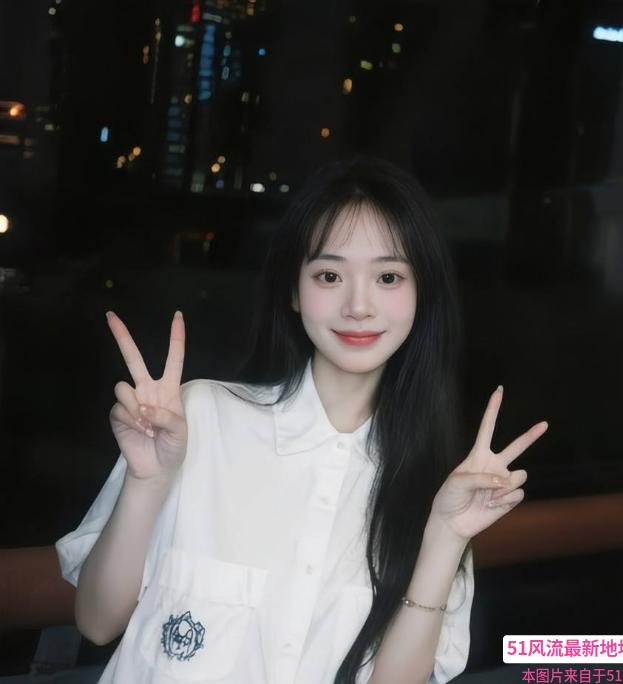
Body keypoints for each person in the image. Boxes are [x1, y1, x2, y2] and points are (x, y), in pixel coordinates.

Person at [54, 157, 548, 684]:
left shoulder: (436, 493)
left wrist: (445, 537)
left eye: (388, 276)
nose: (358, 306)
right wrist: (146, 481)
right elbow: (97, 622)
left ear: (421, 294)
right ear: (293, 290)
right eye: (329, 275)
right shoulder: (199, 419)